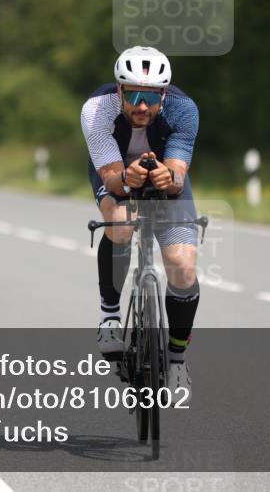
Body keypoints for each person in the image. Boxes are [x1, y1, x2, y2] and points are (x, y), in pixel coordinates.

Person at [80, 46, 201, 395]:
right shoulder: (96, 109)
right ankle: (109, 316)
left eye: (151, 96)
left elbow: (177, 175)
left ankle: (177, 359)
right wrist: (127, 179)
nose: (142, 105)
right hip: (116, 173)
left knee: (182, 265)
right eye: (132, 94)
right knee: (119, 222)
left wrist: (169, 178)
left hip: (165, 178)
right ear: (118, 90)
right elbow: (112, 177)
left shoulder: (184, 109)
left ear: (164, 94)